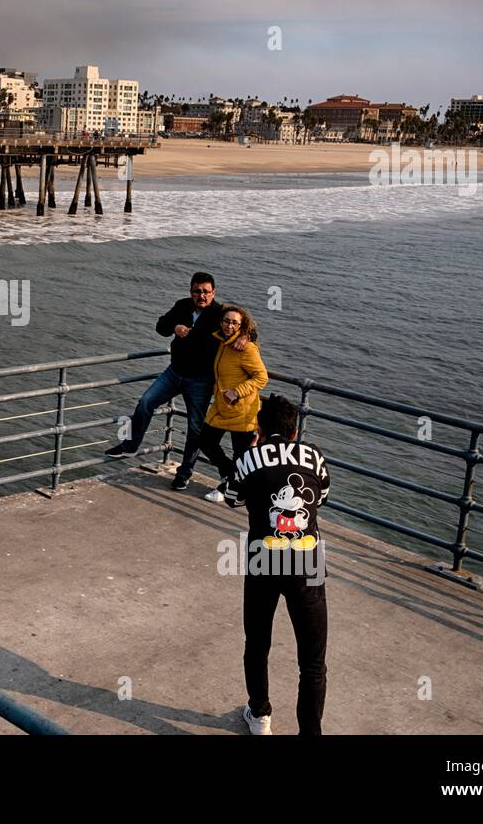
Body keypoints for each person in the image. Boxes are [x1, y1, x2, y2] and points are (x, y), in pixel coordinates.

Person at [225, 393, 330, 736]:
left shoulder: (249, 458)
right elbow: (322, 497)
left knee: (257, 643)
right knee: (312, 662)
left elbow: (231, 498)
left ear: (259, 426)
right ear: (295, 431)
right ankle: (310, 733)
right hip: (308, 564)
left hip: (263, 561)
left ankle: (260, 715)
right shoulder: (315, 457)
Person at [105, 272, 251, 489]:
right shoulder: (182, 306)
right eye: (196, 291)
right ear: (190, 291)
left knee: (195, 428)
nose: (201, 295)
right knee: (146, 402)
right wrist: (175, 327)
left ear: (213, 293)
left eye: (205, 292)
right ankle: (131, 445)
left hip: (201, 380)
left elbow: (249, 329)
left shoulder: (220, 313)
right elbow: (160, 326)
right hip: (174, 372)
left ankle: (184, 473)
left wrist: (244, 337)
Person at [197, 304, 268, 503]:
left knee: (241, 454)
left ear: (241, 326)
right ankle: (232, 477)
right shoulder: (223, 341)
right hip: (221, 405)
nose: (229, 325)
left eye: (235, 323)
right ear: (221, 322)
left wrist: (237, 391)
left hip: (242, 410)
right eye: (226, 321)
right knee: (206, 441)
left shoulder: (246, 348)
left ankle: (229, 487)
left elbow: (261, 378)